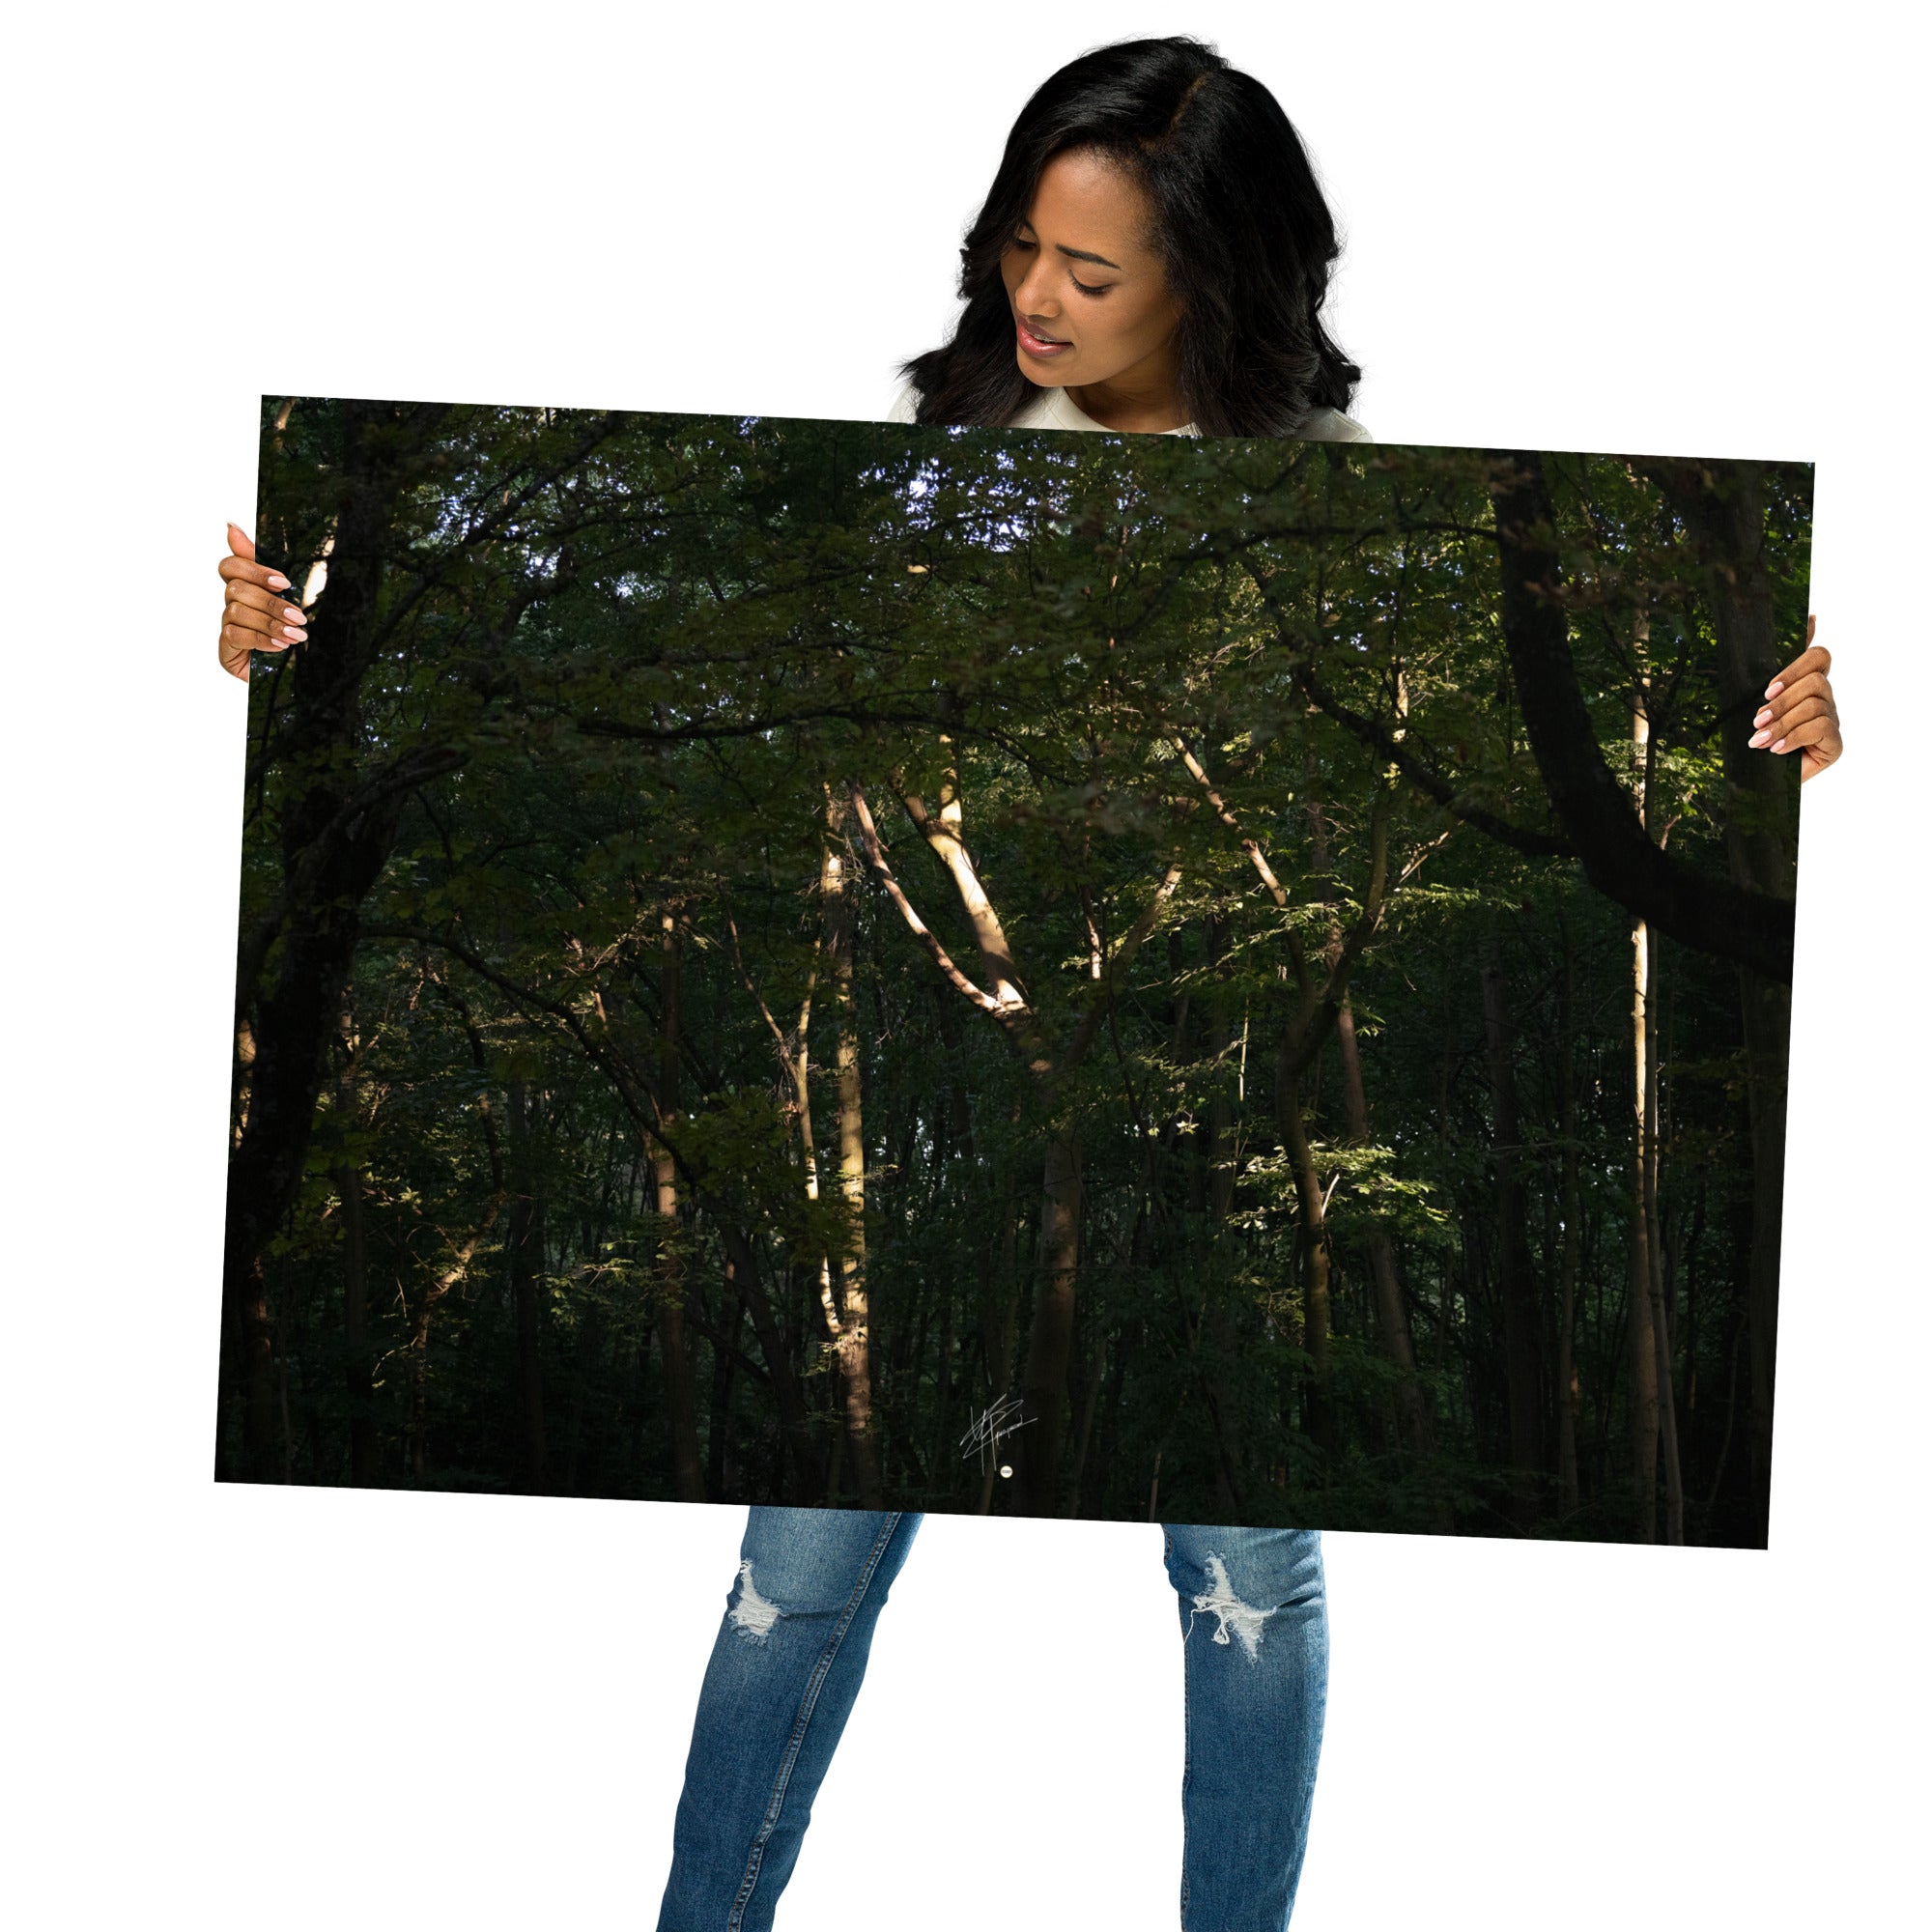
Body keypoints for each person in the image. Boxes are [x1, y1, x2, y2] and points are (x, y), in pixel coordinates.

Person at [211, 37, 1843, 1931]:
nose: (1035, 301)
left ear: (1218, 279)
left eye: (1092, 270)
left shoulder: (1358, 511)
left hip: (1226, 1140)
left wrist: (1781, 737)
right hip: (923, 1142)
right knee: (795, 1573)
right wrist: (288, 652)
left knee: (1247, 1575)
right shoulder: (910, 468)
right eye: (1017, 249)